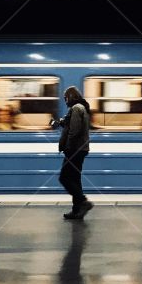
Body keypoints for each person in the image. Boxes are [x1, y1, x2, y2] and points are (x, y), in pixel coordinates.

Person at [52, 86, 92, 220]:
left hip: (74, 149)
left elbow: (74, 131)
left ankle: (83, 202)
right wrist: (60, 123)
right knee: (75, 179)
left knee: (64, 178)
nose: (65, 101)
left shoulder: (76, 108)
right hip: (80, 149)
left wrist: (68, 148)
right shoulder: (81, 108)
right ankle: (77, 210)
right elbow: (72, 125)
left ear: (70, 97)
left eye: (66, 98)